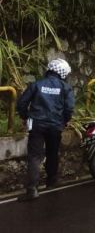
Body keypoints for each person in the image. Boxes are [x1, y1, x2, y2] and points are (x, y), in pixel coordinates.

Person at [16, 58, 75, 201]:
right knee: (52, 153)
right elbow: (69, 108)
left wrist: (25, 117)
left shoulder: (36, 84)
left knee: (35, 156)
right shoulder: (65, 87)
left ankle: (32, 190)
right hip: (55, 125)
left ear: (49, 69)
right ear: (63, 73)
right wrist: (64, 121)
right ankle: (51, 181)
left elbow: (22, 103)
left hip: (36, 124)